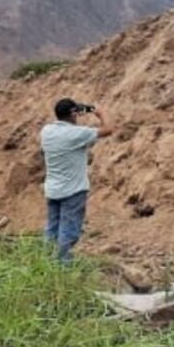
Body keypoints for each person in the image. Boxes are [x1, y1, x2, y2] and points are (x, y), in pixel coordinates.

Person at [40, 98, 112, 262]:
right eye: (76, 112)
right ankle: (63, 267)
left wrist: (78, 110)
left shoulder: (47, 131)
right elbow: (108, 129)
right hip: (73, 191)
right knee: (68, 231)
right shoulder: (76, 134)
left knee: (52, 228)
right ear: (73, 113)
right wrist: (100, 112)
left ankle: (45, 264)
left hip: (52, 190)